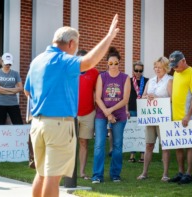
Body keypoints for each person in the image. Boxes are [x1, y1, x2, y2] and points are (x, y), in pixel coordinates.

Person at [24, 14, 119, 197]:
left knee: (41, 174)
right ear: (71, 44)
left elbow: (27, 91)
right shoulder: (64, 61)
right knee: (53, 177)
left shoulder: (37, 61)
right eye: (75, 46)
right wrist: (109, 37)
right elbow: (90, 62)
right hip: (59, 125)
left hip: (37, 124)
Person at [91, 46, 131, 184]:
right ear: (107, 63)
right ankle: (97, 175)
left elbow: (125, 100)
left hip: (119, 115)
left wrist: (111, 110)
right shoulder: (102, 77)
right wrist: (107, 113)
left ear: (119, 63)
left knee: (118, 145)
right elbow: (97, 98)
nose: (113, 66)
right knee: (99, 144)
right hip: (102, 114)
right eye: (110, 63)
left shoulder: (125, 78)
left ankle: (115, 174)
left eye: (116, 63)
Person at [168, 51, 192, 184]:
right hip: (176, 116)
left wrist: (188, 115)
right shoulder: (177, 72)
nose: (174, 68)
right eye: (173, 66)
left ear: (183, 61)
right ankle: (181, 172)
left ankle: (189, 173)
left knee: (189, 146)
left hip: (189, 117)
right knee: (178, 146)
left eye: (176, 65)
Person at [137, 56, 172, 181]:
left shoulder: (169, 80)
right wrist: (147, 97)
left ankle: (165, 174)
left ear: (166, 68)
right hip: (150, 116)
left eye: (160, 67)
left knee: (165, 146)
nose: (157, 69)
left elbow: (172, 99)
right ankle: (144, 172)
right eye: (155, 67)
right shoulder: (150, 81)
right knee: (148, 145)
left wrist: (157, 97)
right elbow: (142, 96)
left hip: (163, 118)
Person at [76, 49, 99, 179]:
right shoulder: (70, 71)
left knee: (84, 142)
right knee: (68, 143)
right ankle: (68, 171)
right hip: (71, 114)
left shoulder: (94, 72)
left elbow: (98, 91)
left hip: (88, 113)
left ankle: (82, 172)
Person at [0, 53, 23, 125]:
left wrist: (3, 89)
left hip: (13, 103)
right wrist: (13, 91)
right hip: (0, 103)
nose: (8, 65)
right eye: (6, 63)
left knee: (18, 124)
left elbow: (21, 88)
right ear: (2, 62)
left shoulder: (15, 73)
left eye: (9, 64)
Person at [127, 61, 148, 163]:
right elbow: (126, 97)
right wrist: (126, 110)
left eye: (140, 70)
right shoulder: (129, 81)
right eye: (136, 70)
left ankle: (142, 154)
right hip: (132, 109)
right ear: (133, 71)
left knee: (142, 132)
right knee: (133, 132)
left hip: (143, 110)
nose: (138, 72)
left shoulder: (147, 81)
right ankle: (132, 154)